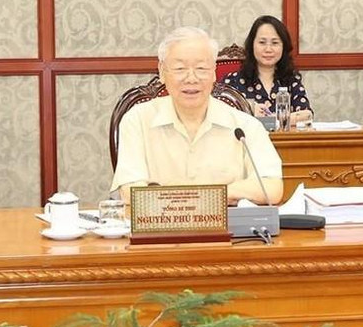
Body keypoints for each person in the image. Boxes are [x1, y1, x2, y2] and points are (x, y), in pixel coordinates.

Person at [112, 26, 283, 205]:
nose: (191, 78)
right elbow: (130, 191)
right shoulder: (137, 120)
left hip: (227, 230)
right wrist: (211, 195)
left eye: (201, 68)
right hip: (161, 227)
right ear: (162, 72)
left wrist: (206, 194)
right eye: (180, 69)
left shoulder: (244, 126)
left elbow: (271, 187)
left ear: (214, 73)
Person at [222, 16, 313, 126]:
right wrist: (248, 110)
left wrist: (275, 119)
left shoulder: (290, 79)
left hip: (284, 142)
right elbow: (219, 114)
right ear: (252, 45)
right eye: (262, 42)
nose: (268, 49)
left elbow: (307, 115)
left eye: (275, 43)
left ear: (283, 47)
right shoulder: (232, 81)